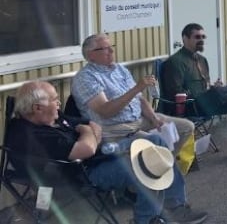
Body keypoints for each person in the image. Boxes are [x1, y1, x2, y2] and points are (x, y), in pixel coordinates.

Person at [8, 81, 208, 224]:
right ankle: (146, 220)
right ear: (36, 107)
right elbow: (86, 146)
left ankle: (174, 206)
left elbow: (91, 124)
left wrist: (89, 134)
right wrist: (88, 134)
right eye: (54, 100)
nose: (59, 103)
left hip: (99, 154)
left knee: (154, 141)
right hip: (84, 174)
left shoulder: (50, 117)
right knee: (147, 165)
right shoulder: (32, 135)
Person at [161, 23, 227, 161]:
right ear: (185, 38)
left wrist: (213, 87)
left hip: (207, 103)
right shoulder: (175, 62)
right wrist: (208, 93)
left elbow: (205, 86)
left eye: (202, 37)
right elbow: (175, 92)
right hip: (189, 107)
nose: (201, 40)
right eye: (196, 37)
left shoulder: (202, 60)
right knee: (222, 92)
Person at [71, 34, 194, 156]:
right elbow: (105, 111)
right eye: (105, 48)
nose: (112, 51)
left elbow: (139, 99)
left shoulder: (119, 69)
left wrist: (153, 118)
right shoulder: (86, 77)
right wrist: (137, 88)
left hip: (139, 120)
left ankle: (163, 167)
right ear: (91, 55)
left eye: (111, 46)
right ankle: (156, 168)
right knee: (156, 143)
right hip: (116, 129)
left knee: (186, 127)